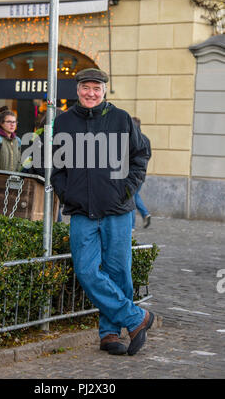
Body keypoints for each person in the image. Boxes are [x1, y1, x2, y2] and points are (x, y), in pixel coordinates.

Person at [50, 68, 154, 356]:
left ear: (105, 91)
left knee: (118, 272)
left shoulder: (121, 119)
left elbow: (140, 155)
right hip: (82, 212)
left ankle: (109, 334)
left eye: (96, 88)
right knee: (85, 270)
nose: (91, 93)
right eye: (86, 88)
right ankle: (136, 318)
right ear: (78, 90)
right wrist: (66, 192)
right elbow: (56, 168)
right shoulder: (64, 122)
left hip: (118, 210)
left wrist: (128, 188)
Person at [131, 117, 151, 230]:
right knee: (134, 195)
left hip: (133, 173)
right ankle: (145, 214)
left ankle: (131, 225)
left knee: (131, 197)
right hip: (142, 173)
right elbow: (148, 156)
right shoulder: (146, 139)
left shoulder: (134, 139)